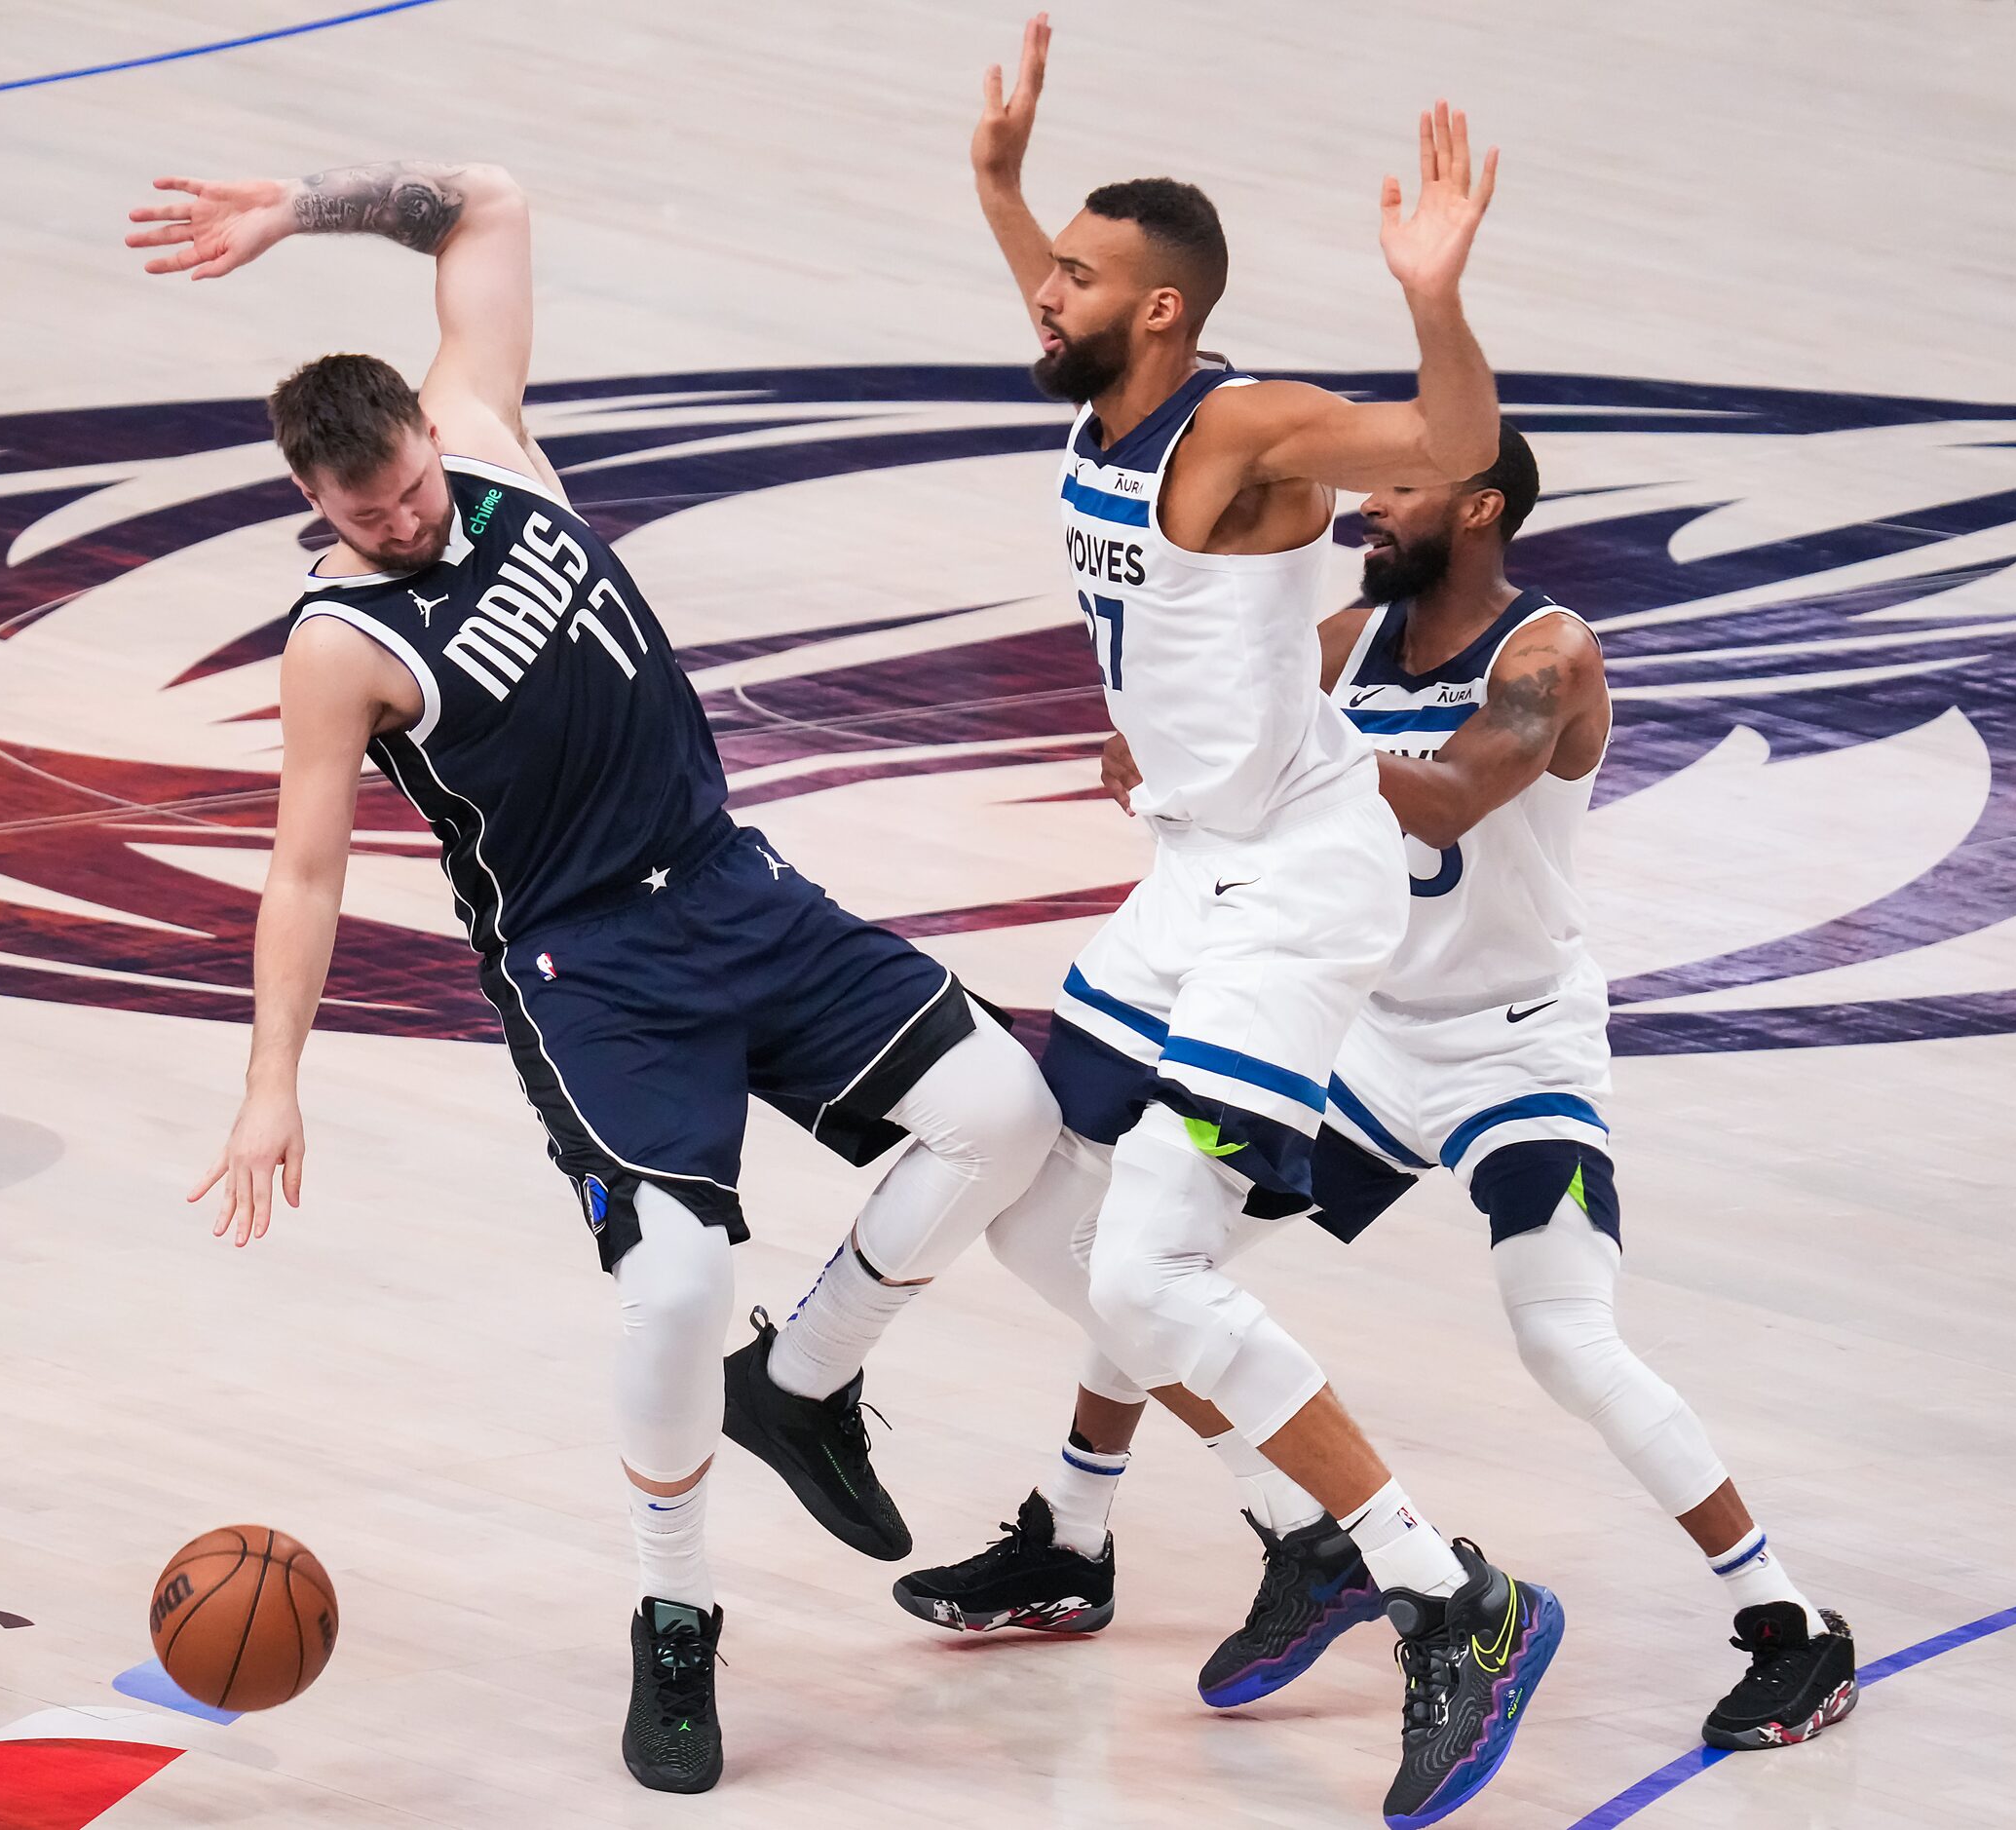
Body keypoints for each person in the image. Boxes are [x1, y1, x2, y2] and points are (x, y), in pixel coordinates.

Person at [131, 157, 1058, 1795]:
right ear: (316, 501)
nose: (406, 520)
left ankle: (805, 1379)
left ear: (424, 436)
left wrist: (293, 213)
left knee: (1002, 1106)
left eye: (411, 488)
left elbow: (482, 201)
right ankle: (676, 1616)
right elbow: (304, 869)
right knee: (676, 1283)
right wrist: (270, 1084)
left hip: (730, 881)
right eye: (369, 514)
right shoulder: (338, 642)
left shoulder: (482, 433)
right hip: (591, 968)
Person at [898, 423, 1864, 1755]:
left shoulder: (1548, 655)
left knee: (1560, 1336)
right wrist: (1165, 746)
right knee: (1149, 1257)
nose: (1368, 502)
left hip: (1514, 1048)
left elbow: (1458, 792)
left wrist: (1267, 755)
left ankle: (1787, 1623)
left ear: (1477, 506)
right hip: (1366, 1038)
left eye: (1399, 485)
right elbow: (1205, 714)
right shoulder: (1344, 638)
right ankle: (1072, 1537)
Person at [947, 18, 1557, 1826]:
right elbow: (1068, 303)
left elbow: (1454, 439)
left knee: (1148, 1273)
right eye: (1046, 262)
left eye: (1073, 271)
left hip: (1297, 885)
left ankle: (1449, 1587)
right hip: (1184, 876)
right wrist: (997, 189)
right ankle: (1286, 1528)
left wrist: (1436, 294)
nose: (1041, 289)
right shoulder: (1114, 388)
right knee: (1037, 1202)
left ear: (1157, 312)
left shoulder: (1244, 432)